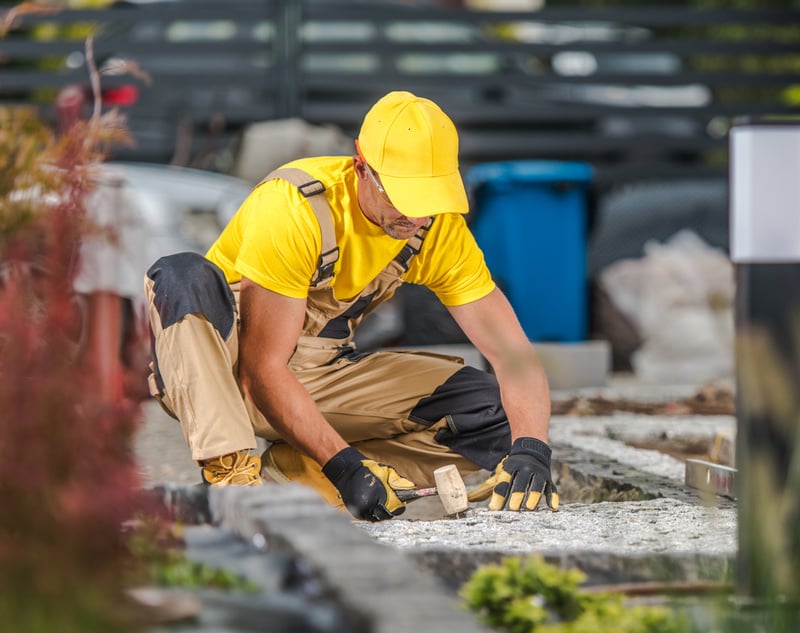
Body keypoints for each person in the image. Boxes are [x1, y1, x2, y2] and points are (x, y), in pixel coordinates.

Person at [143, 91, 559, 521]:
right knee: (181, 273)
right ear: (362, 166)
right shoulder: (294, 207)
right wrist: (345, 464)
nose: (417, 219)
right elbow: (260, 371)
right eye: (405, 198)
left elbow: (514, 357)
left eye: (430, 199)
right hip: (224, 373)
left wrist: (532, 449)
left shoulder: (437, 229)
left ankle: (294, 478)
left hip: (318, 375)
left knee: (496, 416)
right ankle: (230, 482)